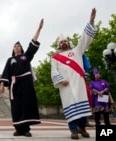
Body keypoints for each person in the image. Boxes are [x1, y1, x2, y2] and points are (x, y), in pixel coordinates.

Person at [50, 8, 97, 139]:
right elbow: (54, 71)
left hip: (78, 84)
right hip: (66, 86)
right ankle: (73, 130)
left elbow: (84, 39)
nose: (63, 42)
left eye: (65, 41)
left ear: (68, 42)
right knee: (70, 107)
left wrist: (91, 21)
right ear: (59, 45)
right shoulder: (55, 58)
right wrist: (60, 80)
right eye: (61, 42)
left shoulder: (77, 51)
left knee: (82, 106)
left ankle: (82, 128)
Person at [0, 18, 43, 137]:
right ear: (13, 49)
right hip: (15, 85)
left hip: (27, 83)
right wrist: (2, 85)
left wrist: (38, 29)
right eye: (15, 46)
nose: (17, 47)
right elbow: (5, 73)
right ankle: (18, 129)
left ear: (21, 48)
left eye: (18, 46)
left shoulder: (26, 57)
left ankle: (27, 129)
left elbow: (32, 44)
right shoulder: (10, 59)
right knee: (16, 105)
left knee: (27, 104)